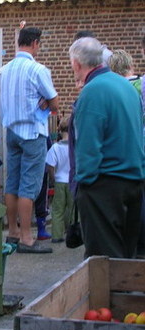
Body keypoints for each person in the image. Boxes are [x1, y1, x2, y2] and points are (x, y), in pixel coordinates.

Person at [69, 37, 145, 259]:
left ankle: (110, 295)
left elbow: (88, 148)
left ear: (76, 63)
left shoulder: (92, 92)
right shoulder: (127, 86)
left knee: (104, 263)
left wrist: (84, 185)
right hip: (134, 181)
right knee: (126, 257)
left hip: (105, 185)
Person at [0, 27, 59, 254]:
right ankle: (26, 237)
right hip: (33, 132)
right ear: (34, 43)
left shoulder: (5, 70)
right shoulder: (37, 69)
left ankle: (13, 232)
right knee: (29, 186)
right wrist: (45, 102)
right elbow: (54, 102)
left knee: (12, 182)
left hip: (12, 131)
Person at [45, 120, 72, 243]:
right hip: (73, 181)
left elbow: (50, 165)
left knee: (57, 209)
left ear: (60, 131)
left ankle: (56, 235)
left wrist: (53, 177)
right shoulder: (75, 146)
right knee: (72, 208)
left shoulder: (55, 147)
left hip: (60, 180)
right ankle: (72, 233)